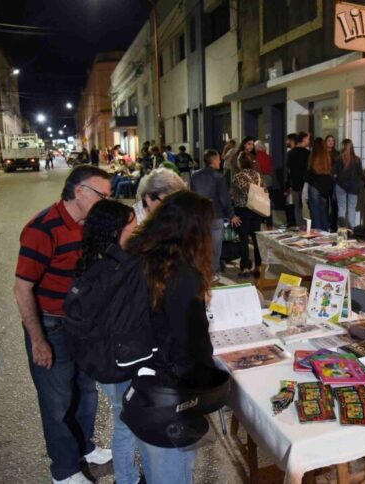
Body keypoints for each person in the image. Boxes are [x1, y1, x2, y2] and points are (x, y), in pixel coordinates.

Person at [13, 165, 113, 484]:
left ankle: (85, 447)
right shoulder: (42, 229)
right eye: (102, 196)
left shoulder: (91, 226)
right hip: (51, 326)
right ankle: (64, 470)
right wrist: (38, 340)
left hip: (83, 324)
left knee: (86, 391)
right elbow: (23, 288)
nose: (107, 202)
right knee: (56, 402)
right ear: (79, 191)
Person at [125, 191, 216, 484]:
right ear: (193, 230)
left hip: (142, 382)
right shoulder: (182, 274)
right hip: (170, 392)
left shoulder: (139, 254)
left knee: (156, 466)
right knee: (173, 471)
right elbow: (193, 342)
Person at [75, 200, 139, 484]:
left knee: (125, 419)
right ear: (114, 231)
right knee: (126, 424)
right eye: (132, 228)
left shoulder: (92, 261)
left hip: (105, 361)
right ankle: (127, 479)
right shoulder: (114, 270)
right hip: (118, 363)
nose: (137, 233)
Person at [191, 149, 241, 277]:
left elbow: (192, 196)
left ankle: (201, 269)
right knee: (215, 247)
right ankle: (213, 271)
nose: (220, 161)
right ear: (213, 160)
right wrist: (231, 215)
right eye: (218, 159)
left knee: (202, 244)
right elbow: (224, 198)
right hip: (215, 215)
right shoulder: (219, 177)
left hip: (199, 216)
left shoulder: (194, 176)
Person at [231, 152, 265, 277]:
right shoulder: (258, 176)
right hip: (256, 210)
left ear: (240, 163)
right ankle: (259, 266)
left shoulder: (237, 177)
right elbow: (264, 191)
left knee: (243, 240)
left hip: (242, 211)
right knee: (256, 240)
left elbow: (234, 195)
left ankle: (245, 267)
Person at [333, 139, 364, 228]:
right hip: (353, 186)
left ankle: (341, 230)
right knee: (352, 208)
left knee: (341, 208)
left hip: (340, 185)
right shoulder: (357, 159)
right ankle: (351, 229)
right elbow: (360, 173)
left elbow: (334, 174)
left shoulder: (338, 159)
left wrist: (336, 180)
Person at [305, 137, 334, 231]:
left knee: (315, 210)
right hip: (325, 185)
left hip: (314, 184)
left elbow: (309, 172)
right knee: (323, 211)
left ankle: (317, 231)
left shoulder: (313, 156)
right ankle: (325, 231)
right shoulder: (327, 156)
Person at [285, 132, 310, 228]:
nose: (309, 141)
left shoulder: (291, 153)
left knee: (297, 206)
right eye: (308, 139)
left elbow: (288, 169)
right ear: (304, 139)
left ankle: (300, 226)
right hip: (306, 183)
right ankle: (308, 226)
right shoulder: (308, 153)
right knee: (306, 205)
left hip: (295, 182)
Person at [324, 135, 340, 232]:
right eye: (329, 140)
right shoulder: (322, 153)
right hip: (325, 181)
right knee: (325, 204)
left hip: (334, 182)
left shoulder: (337, 154)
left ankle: (334, 225)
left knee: (334, 204)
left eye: (332, 141)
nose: (331, 142)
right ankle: (325, 224)